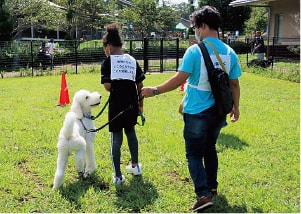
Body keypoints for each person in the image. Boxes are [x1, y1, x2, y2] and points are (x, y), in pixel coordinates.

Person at [141, 6, 241, 212]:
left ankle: (203, 195)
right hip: (220, 110)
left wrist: (155, 90)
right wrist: (236, 107)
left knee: (194, 154)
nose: (194, 31)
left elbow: (179, 79)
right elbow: (235, 84)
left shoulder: (195, 50)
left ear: (203, 26)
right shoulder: (230, 52)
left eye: (195, 27)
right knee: (210, 148)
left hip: (196, 111)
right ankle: (211, 187)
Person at [101, 23, 145, 185]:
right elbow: (140, 86)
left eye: (104, 48)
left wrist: (115, 84)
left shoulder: (108, 62)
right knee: (131, 132)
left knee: (116, 137)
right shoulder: (132, 60)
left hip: (116, 107)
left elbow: (107, 86)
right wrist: (141, 105)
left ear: (109, 46)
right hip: (132, 105)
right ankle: (135, 166)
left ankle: (118, 176)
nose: (105, 52)